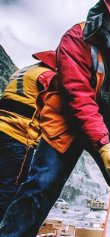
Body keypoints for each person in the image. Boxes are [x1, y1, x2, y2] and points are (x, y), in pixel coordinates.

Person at [0, 0, 110, 236]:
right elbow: (79, 98)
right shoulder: (76, 39)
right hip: (68, 123)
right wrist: (103, 146)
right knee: (42, 184)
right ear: (104, 13)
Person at [0, 50, 56, 220]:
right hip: (18, 136)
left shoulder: (24, 71)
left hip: (2, 127)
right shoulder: (48, 76)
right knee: (9, 189)